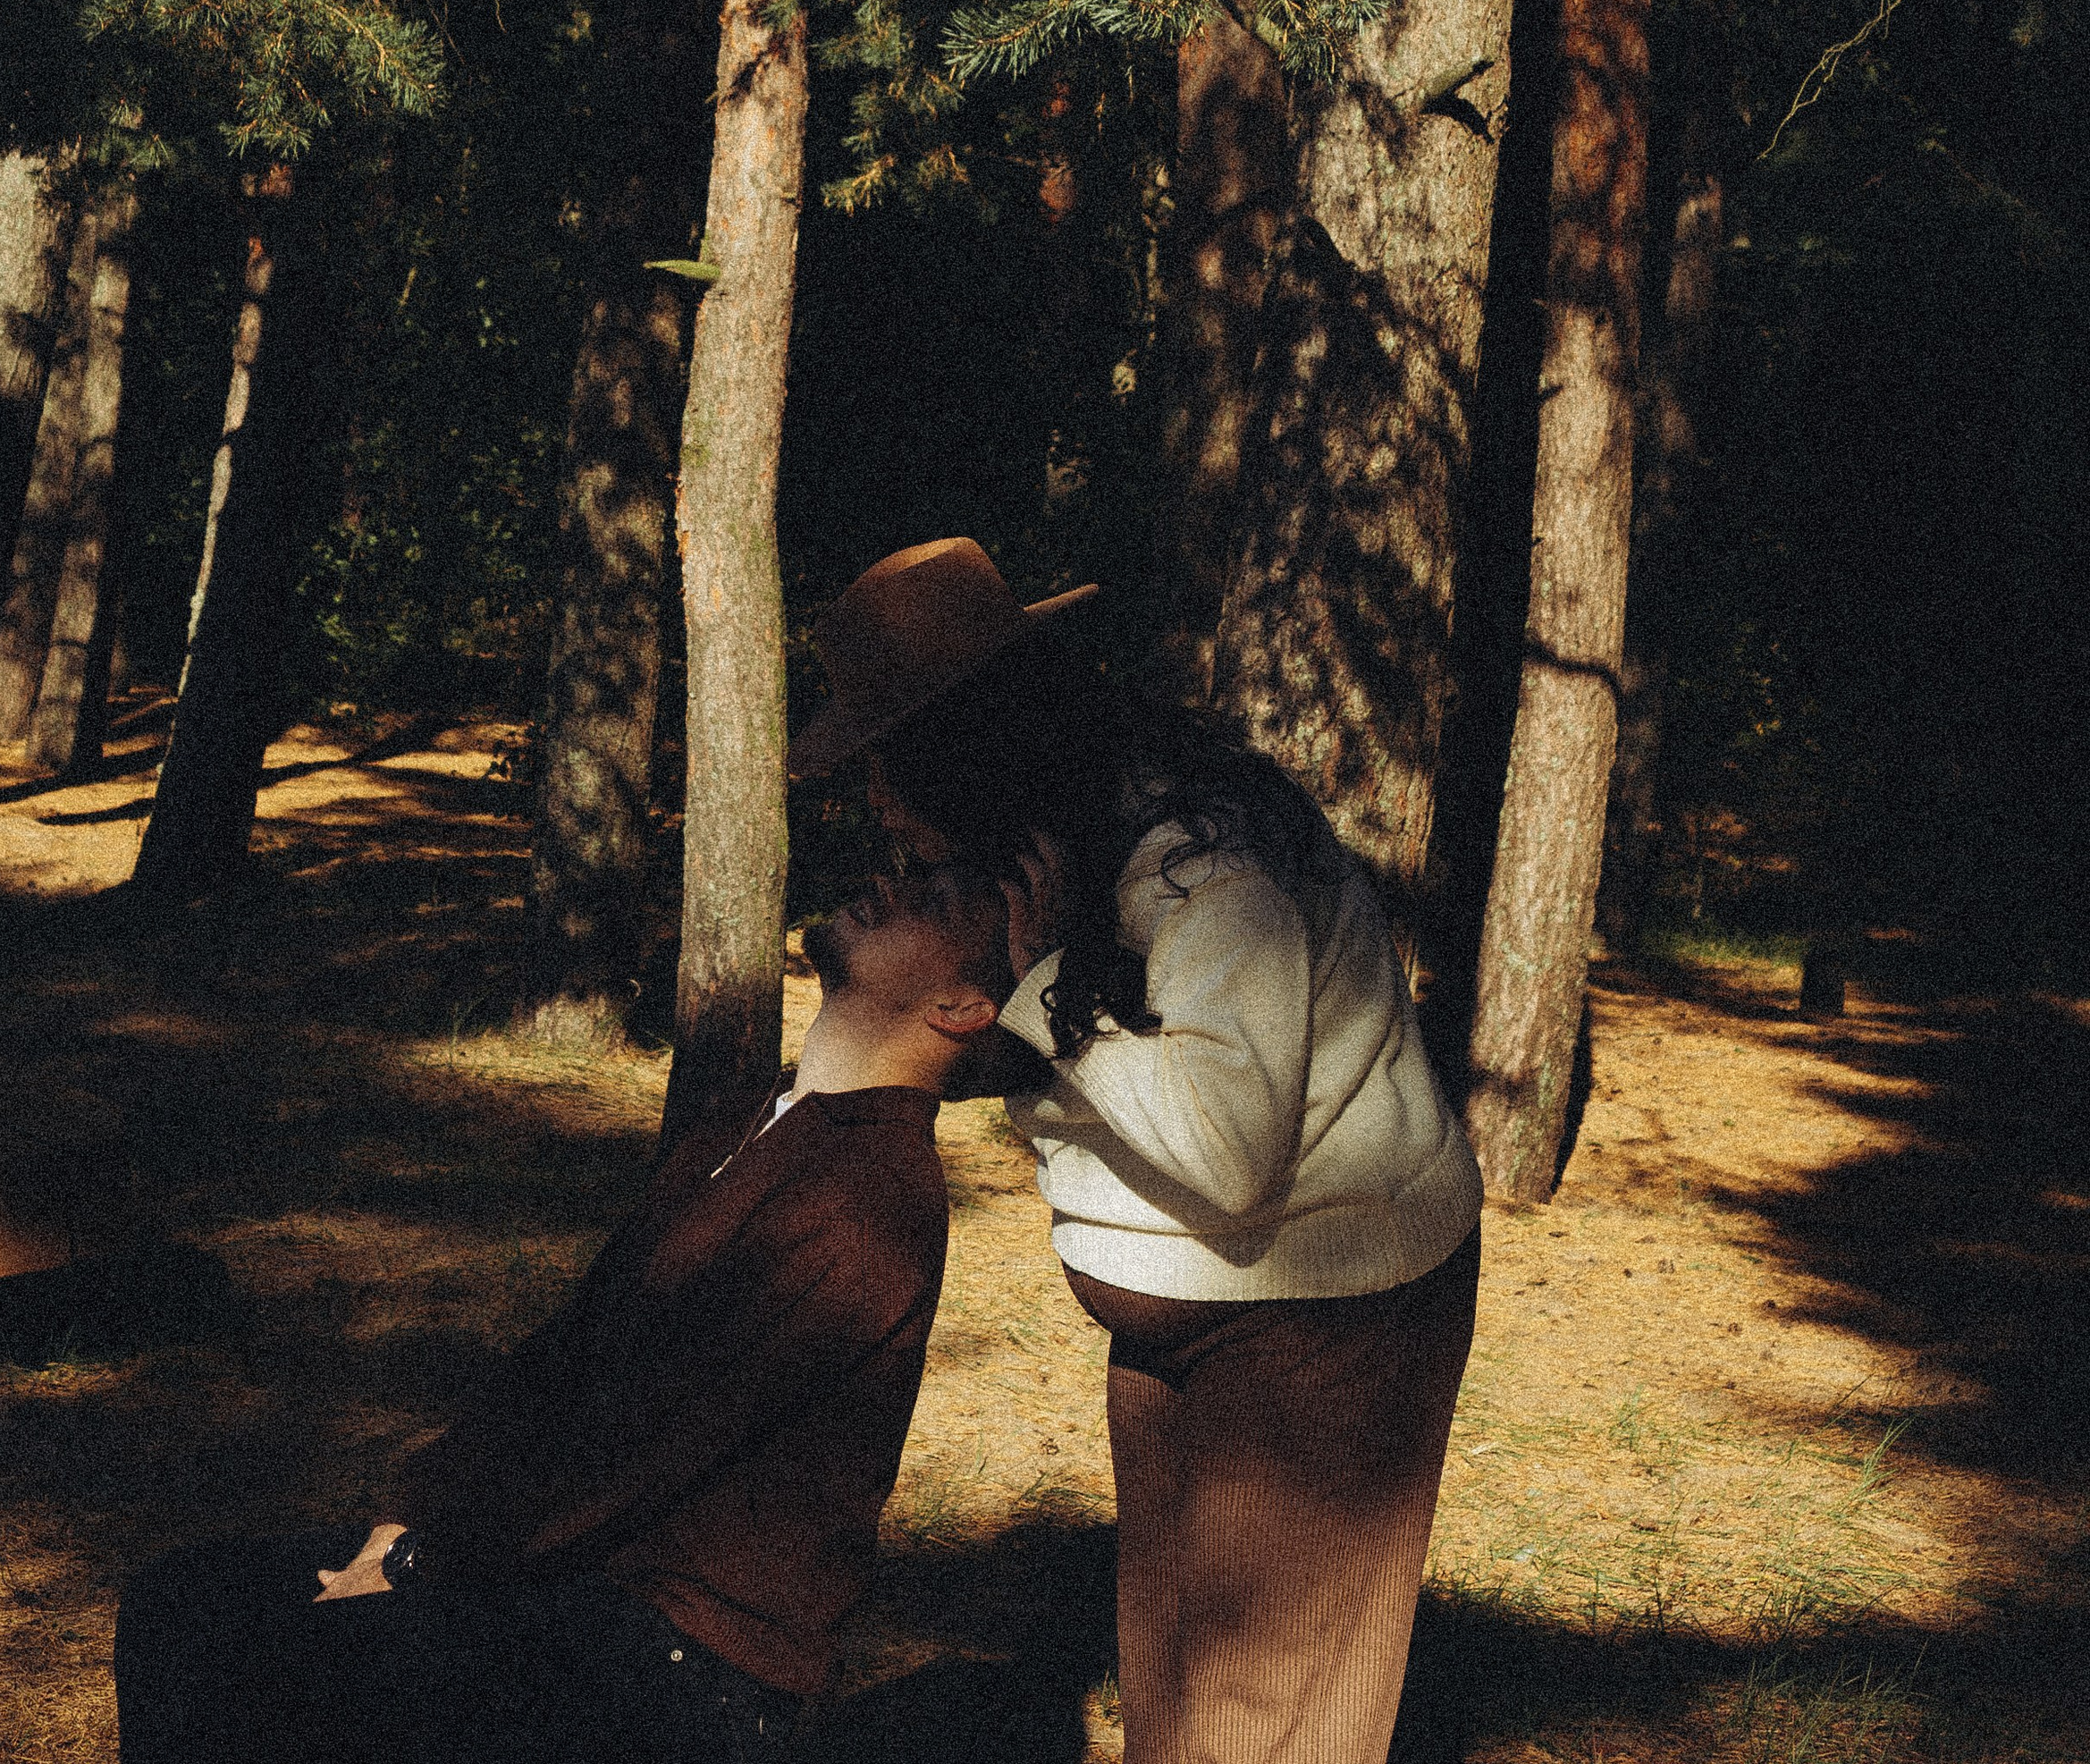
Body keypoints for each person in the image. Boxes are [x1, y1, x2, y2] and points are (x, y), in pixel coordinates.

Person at [789, 537, 1484, 1764]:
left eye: (888, 765)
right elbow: (1116, 1068)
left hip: (1327, 1314)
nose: (878, 803)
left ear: (968, 749)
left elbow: (1225, 1148)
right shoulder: (1066, 848)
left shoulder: (1199, 864)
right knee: (1178, 1677)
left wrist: (1048, 991)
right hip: (1196, 1317)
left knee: (1273, 1719)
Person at [114, 858, 1015, 1764]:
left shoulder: (870, 1194)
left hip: (685, 1666)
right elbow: (565, 1360)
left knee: (236, 1643)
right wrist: (408, 1516)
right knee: (190, 1598)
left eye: (936, 902)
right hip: (580, 1584)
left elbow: (643, 1448)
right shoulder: (768, 1119)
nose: (892, 885)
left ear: (962, 1006)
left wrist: (422, 1564)